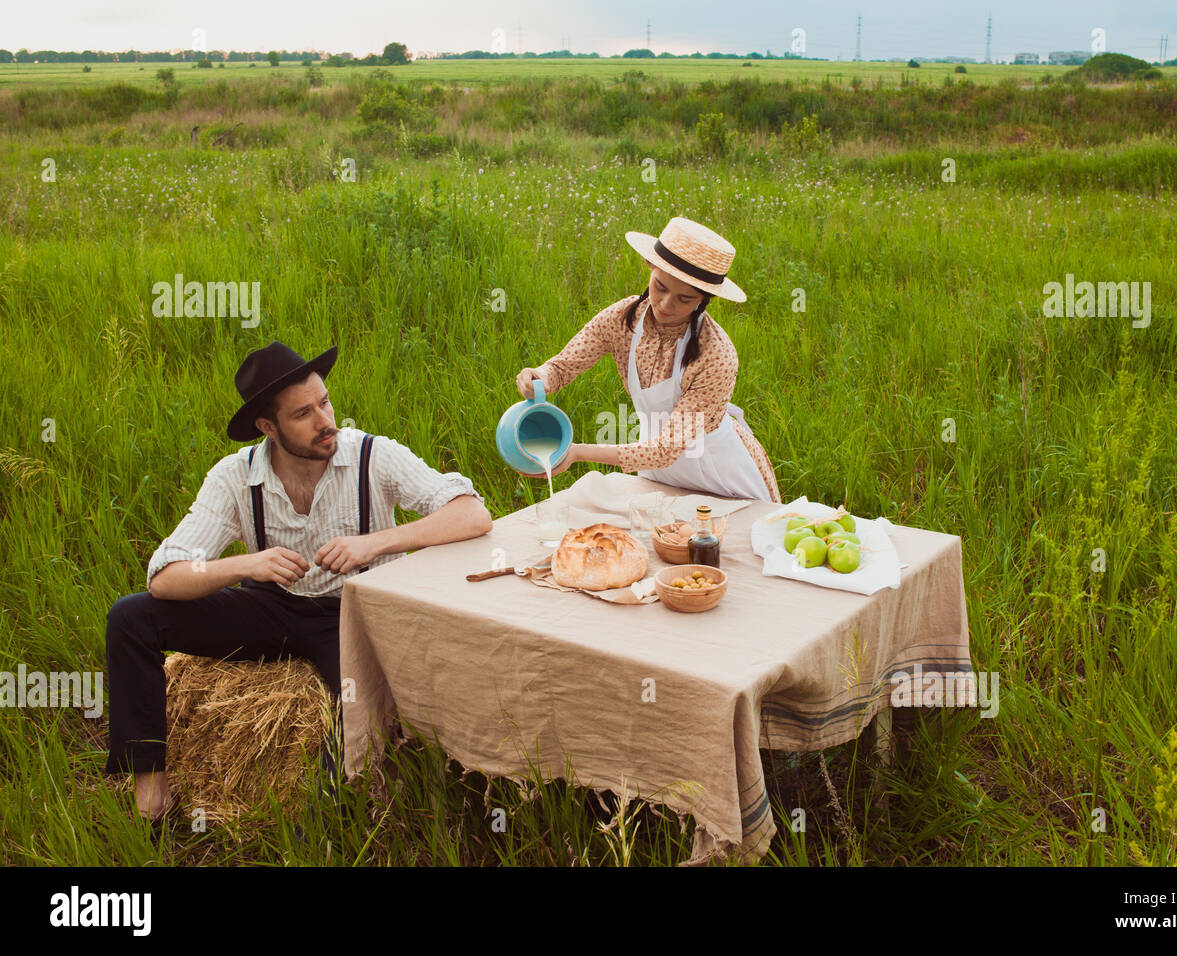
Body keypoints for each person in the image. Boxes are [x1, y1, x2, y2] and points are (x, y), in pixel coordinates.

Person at [103, 341, 492, 823]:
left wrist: (375, 544)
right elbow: (165, 577)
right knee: (130, 617)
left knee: (352, 738)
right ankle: (152, 794)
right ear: (268, 428)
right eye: (303, 413)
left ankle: (329, 818)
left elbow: (472, 513)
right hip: (270, 609)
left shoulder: (371, 455)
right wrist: (247, 566)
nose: (324, 420)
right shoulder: (235, 477)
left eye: (324, 402)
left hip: (354, 614)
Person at [514, 216, 780, 503]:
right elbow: (562, 366)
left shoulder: (716, 354)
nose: (666, 305)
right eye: (661, 287)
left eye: (685, 299)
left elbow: (666, 450)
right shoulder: (622, 319)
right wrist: (539, 377)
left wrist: (577, 452)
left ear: (704, 299)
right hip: (658, 472)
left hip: (719, 476)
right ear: (650, 267)